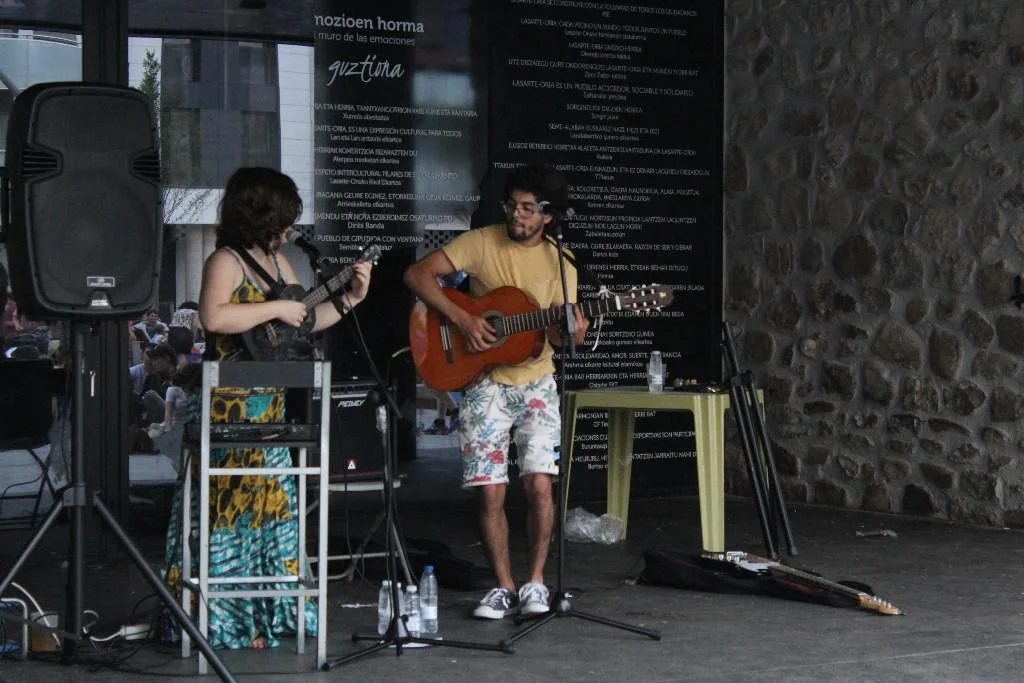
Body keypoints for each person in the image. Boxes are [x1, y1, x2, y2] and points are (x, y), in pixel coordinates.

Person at [161, 166, 372, 650]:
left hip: (271, 413)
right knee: (226, 517)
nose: (290, 225)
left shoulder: (281, 263)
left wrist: (352, 298)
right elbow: (214, 316)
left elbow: (305, 320)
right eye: (284, 215)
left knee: (272, 514)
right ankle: (222, 618)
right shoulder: (225, 260)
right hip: (227, 412)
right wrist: (274, 308)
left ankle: (264, 615)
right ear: (261, 214)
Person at [403, 164, 588, 619]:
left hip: (538, 382)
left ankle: (536, 583)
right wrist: (464, 319)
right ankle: (503, 586)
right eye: (512, 205)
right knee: (490, 491)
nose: (516, 214)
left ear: (548, 215)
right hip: (485, 383)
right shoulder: (481, 242)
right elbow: (417, 275)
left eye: (527, 208)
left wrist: (575, 333)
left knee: (540, 484)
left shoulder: (562, 263)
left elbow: (559, 336)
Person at [166, 300, 200, 366]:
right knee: (184, 354)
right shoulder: (194, 312)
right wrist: (193, 339)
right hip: (184, 332)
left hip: (172, 332)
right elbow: (194, 325)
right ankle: (182, 369)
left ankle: (174, 368)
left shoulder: (177, 312)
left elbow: (172, 322)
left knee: (174, 353)